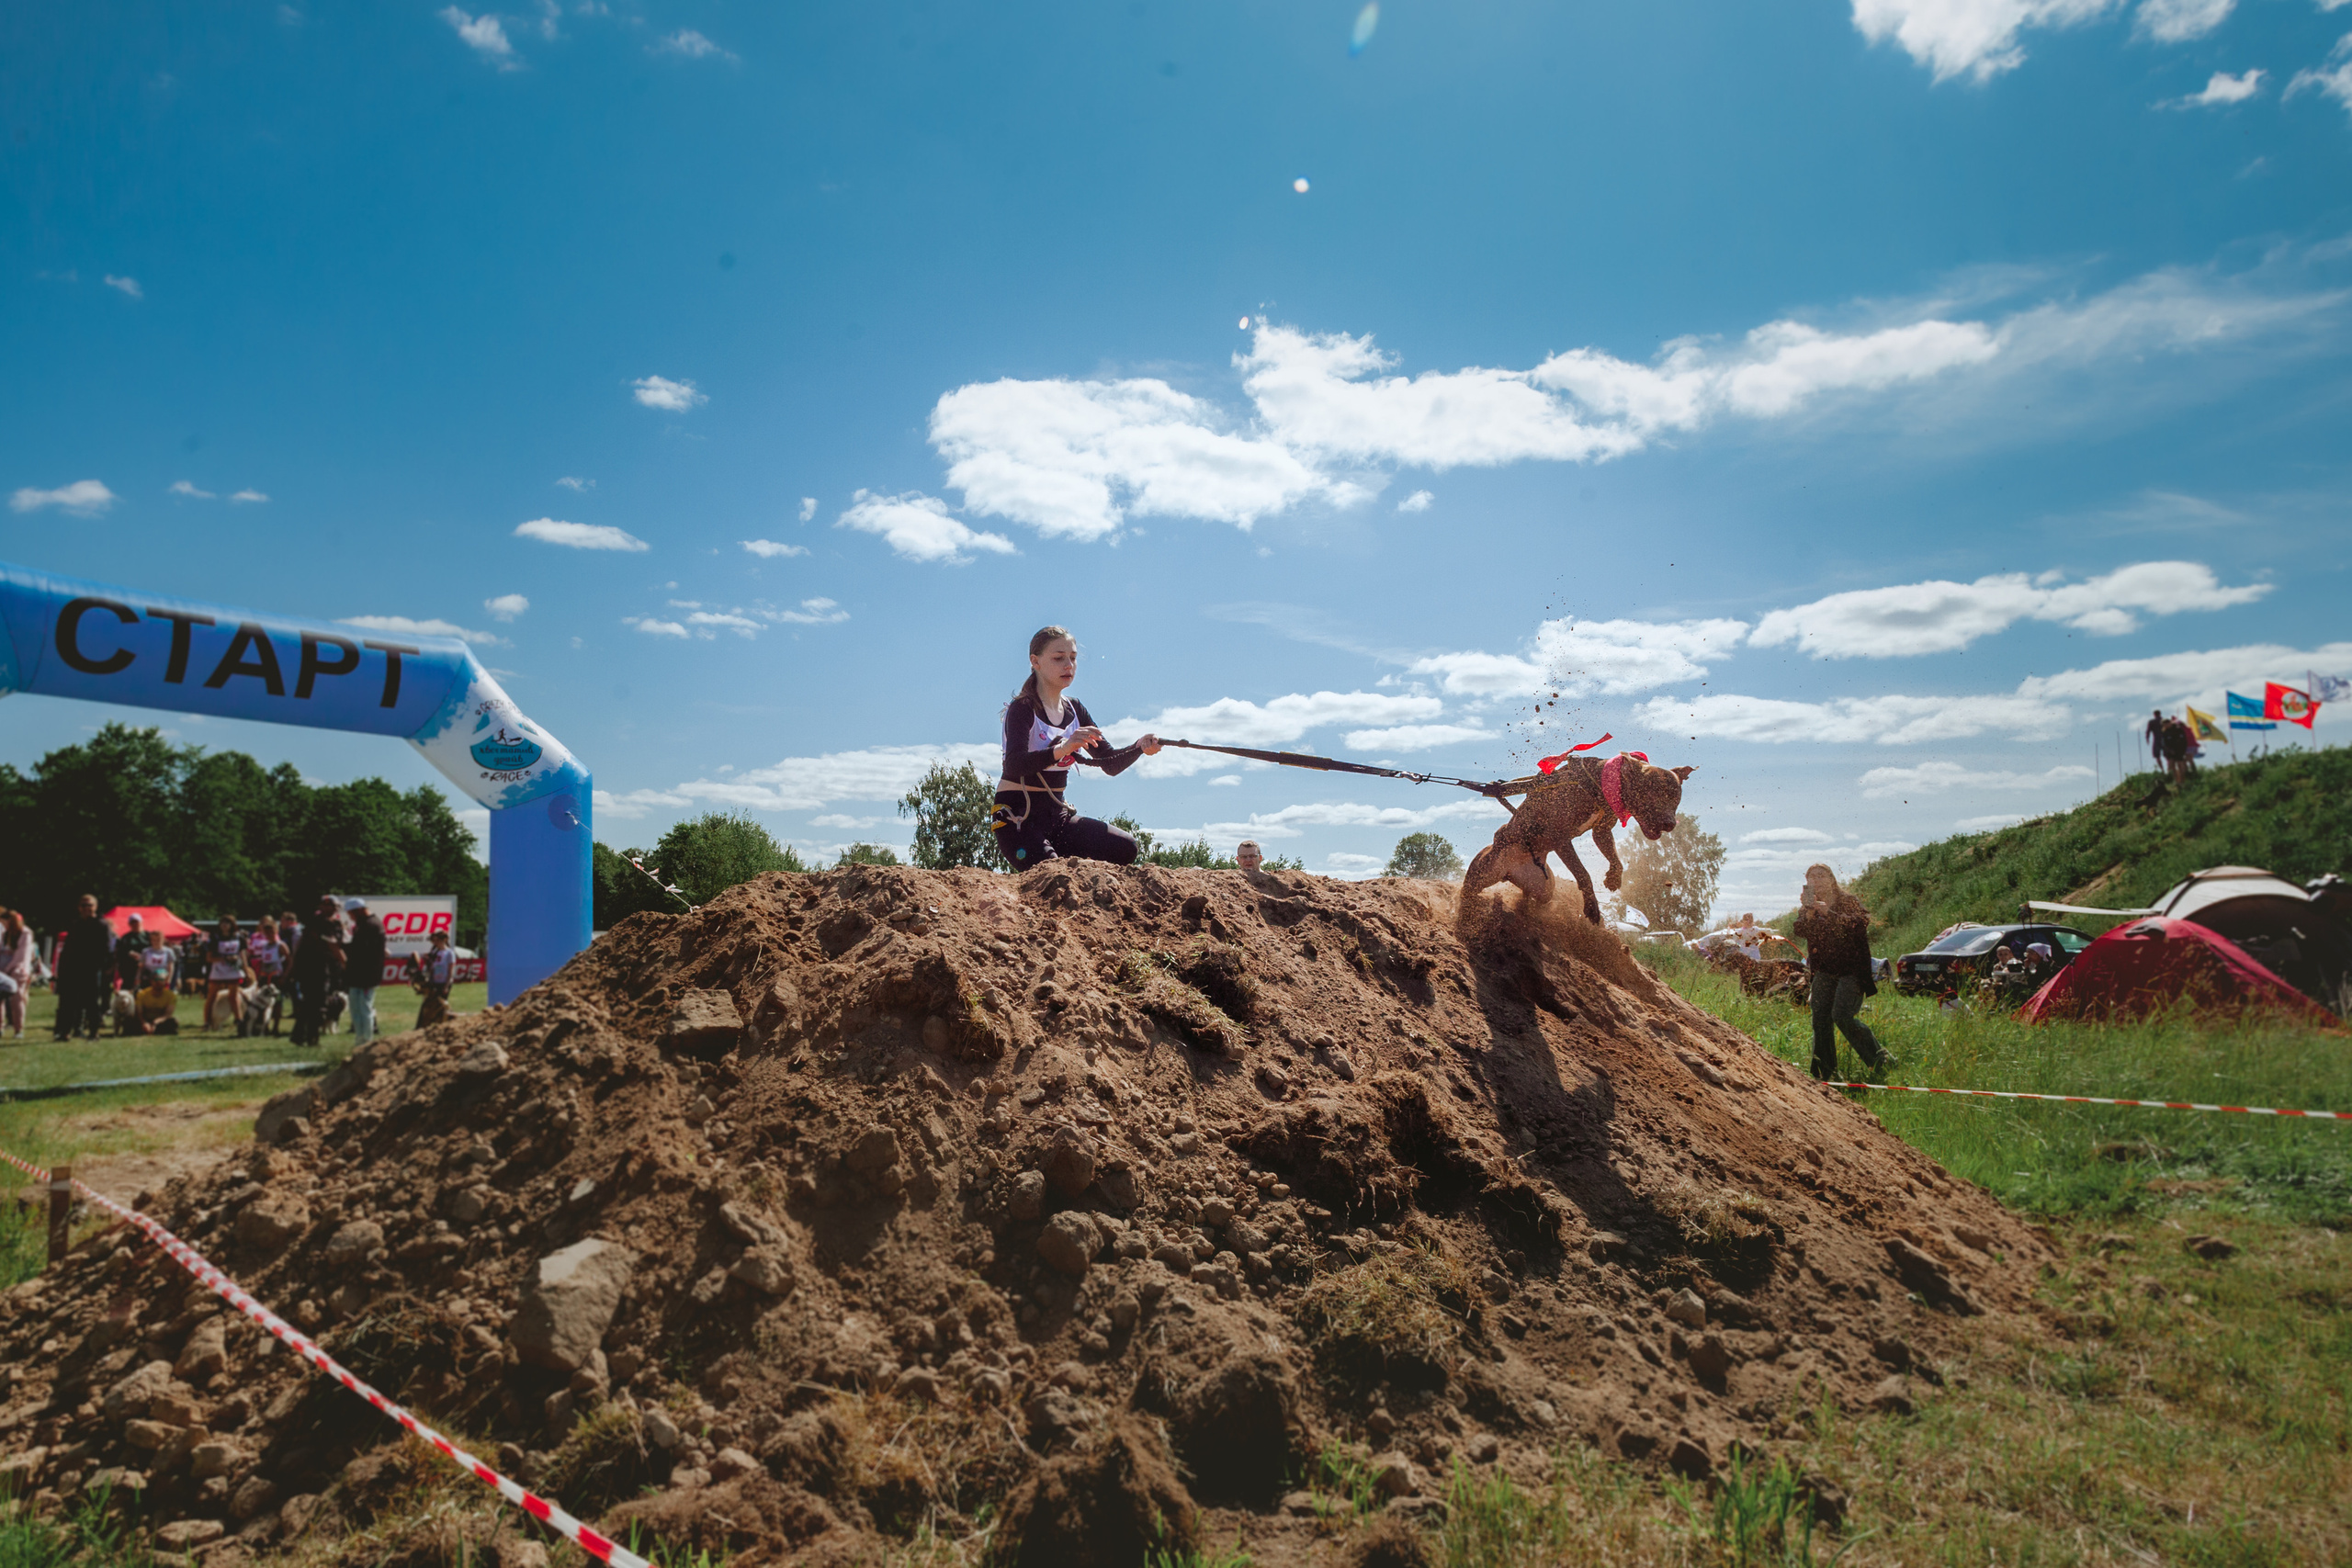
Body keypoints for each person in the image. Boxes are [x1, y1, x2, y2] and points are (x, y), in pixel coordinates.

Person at [989, 625, 1162, 871]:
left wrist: (1139, 747)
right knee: (1054, 875)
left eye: (1072, 658)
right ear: (1035, 662)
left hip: (1058, 816)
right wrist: (1062, 749)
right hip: (1019, 818)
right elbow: (1014, 764)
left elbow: (1110, 764)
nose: (1068, 665)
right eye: (1059, 658)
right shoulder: (1023, 708)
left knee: (1126, 847)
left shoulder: (1075, 709)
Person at [1791, 864, 1894, 1082]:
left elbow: (1860, 924)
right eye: (1811, 877)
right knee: (1820, 1019)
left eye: (1821, 876)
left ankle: (1881, 1061)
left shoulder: (1848, 900)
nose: (1816, 881)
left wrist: (1829, 913)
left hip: (1853, 969)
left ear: (1831, 879)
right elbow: (1800, 930)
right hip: (1825, 970)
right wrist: (1810, 912)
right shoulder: (1808, 906)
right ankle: (1824, 1074)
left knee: (1842, 1016)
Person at [52, 894, 113, 1042]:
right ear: (79, 908)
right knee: (68, 1002)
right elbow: (67, 949)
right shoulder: (75, 924)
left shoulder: (101, 925)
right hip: (72, 969)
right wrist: (62, 969)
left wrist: (102, 967)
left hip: (91, 969)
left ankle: (93, 1032)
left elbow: (105, 949)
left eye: (90, 905)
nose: (87, 908)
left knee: (91, 1002)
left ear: (96, 907)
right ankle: (64, 1032)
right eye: (84, 905)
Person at [288, 895, 345, 1048]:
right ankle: (312, 1038)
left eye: (331, 906)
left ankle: (299, 1035)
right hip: (314, 967)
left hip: (327, 967)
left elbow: (340, 941)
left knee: (310, 1003)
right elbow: (329, 943)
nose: (328, 908)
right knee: (317, 1004)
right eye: (325, 905)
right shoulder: (317, 922)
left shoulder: (336, 923)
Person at [343, 897, 386, 1045]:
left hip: (367, 975)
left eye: (351, 914)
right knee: (355, 1008)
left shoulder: (371, 925)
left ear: (359, 910)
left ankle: (366, 1041)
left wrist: (344, 946)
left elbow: (364, 951)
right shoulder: (364, 924)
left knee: (364, 1008)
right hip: (357, 974)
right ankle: (359, 1039)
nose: (350, 917)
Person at [201, 917, 251, 1032]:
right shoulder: (215, 938)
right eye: (223, 923)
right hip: (218, 970)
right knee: (212, 996)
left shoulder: (238, 937)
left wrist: (246, 970)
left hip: (233, 970)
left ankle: (239, 1020)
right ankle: (206, 1022)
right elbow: (209, 958)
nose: (225, 925)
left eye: (228, 923)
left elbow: (243, 955)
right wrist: (225, 958)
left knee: (233, 996)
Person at [244, 916, 288, 1035]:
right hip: (264, 976)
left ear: (276, 932)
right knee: (263, 1002)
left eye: (271, 932)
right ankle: (264, 1026)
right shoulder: (265, 946)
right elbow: (263, 961)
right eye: (267, 932)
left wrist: (286, 975)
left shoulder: (281, 945)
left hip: (276, 976)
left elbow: (289, 959)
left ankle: (276, 1027)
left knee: (277, 1002)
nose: (269, 934)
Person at [413, 927, 457, 1028]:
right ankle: (424, 1025)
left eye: (438, 940)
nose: (435, 943)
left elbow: (450, 970)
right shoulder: (434, 953)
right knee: (428, 1004)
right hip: (434, 981)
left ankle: (444, 1024)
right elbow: (431, 967)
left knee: (441, 1005)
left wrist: (447, 985)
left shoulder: (449, 953)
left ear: (444, 940)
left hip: (443, 981)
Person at [0, 909, 32, 1040]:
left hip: (18, 970)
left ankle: (18, 1029)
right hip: (2, 969)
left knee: (17, 998)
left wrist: (8, 969)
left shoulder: (25, 933)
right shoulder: (4, 933)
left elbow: (21, 956)